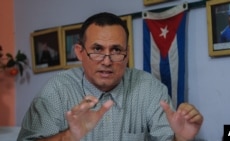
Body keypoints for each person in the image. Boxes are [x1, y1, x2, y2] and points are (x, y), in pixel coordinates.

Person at [17, 12, 203, 141]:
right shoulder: (56, 91)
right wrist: (69, 136)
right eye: (97, 50)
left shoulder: (150, 90)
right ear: (80, 52)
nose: (107, 61)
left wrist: (181, 138)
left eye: (116, 50)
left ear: (127, 54)